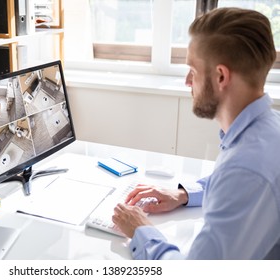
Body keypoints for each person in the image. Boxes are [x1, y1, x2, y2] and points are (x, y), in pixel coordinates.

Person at [112, 7, 280, 259]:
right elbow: (235, 187)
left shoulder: (246, 169)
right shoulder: (266, 128)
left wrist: (141, 231)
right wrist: (183, 194)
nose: (187, 82)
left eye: (193, 71)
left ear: (221, 76)